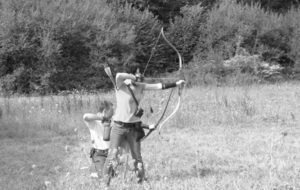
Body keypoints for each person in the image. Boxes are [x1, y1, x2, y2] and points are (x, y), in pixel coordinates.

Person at [103, 66, 185, 186]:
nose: (140, 78)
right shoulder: (121, 85)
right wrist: (131, 77)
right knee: (113, 154)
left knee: (137, 158)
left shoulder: (141, 86)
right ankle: (105, 184)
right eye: (138, 76)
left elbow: (159, 86)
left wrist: (176, 83)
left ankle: (140, 182)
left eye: (141, 77)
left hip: (134, 127)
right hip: (118, 126)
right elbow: (119, 75)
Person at [82, 100, 116, 178]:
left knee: (119, 173)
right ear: (104, 111)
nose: (113, 114)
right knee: (104, 176)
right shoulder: (94, 122)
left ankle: (96, 169)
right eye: (111, 112)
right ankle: (95, 169)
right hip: (99, 154)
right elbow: (85, 116)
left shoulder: (111, 120)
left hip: (111, 153)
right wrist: (101, 118)